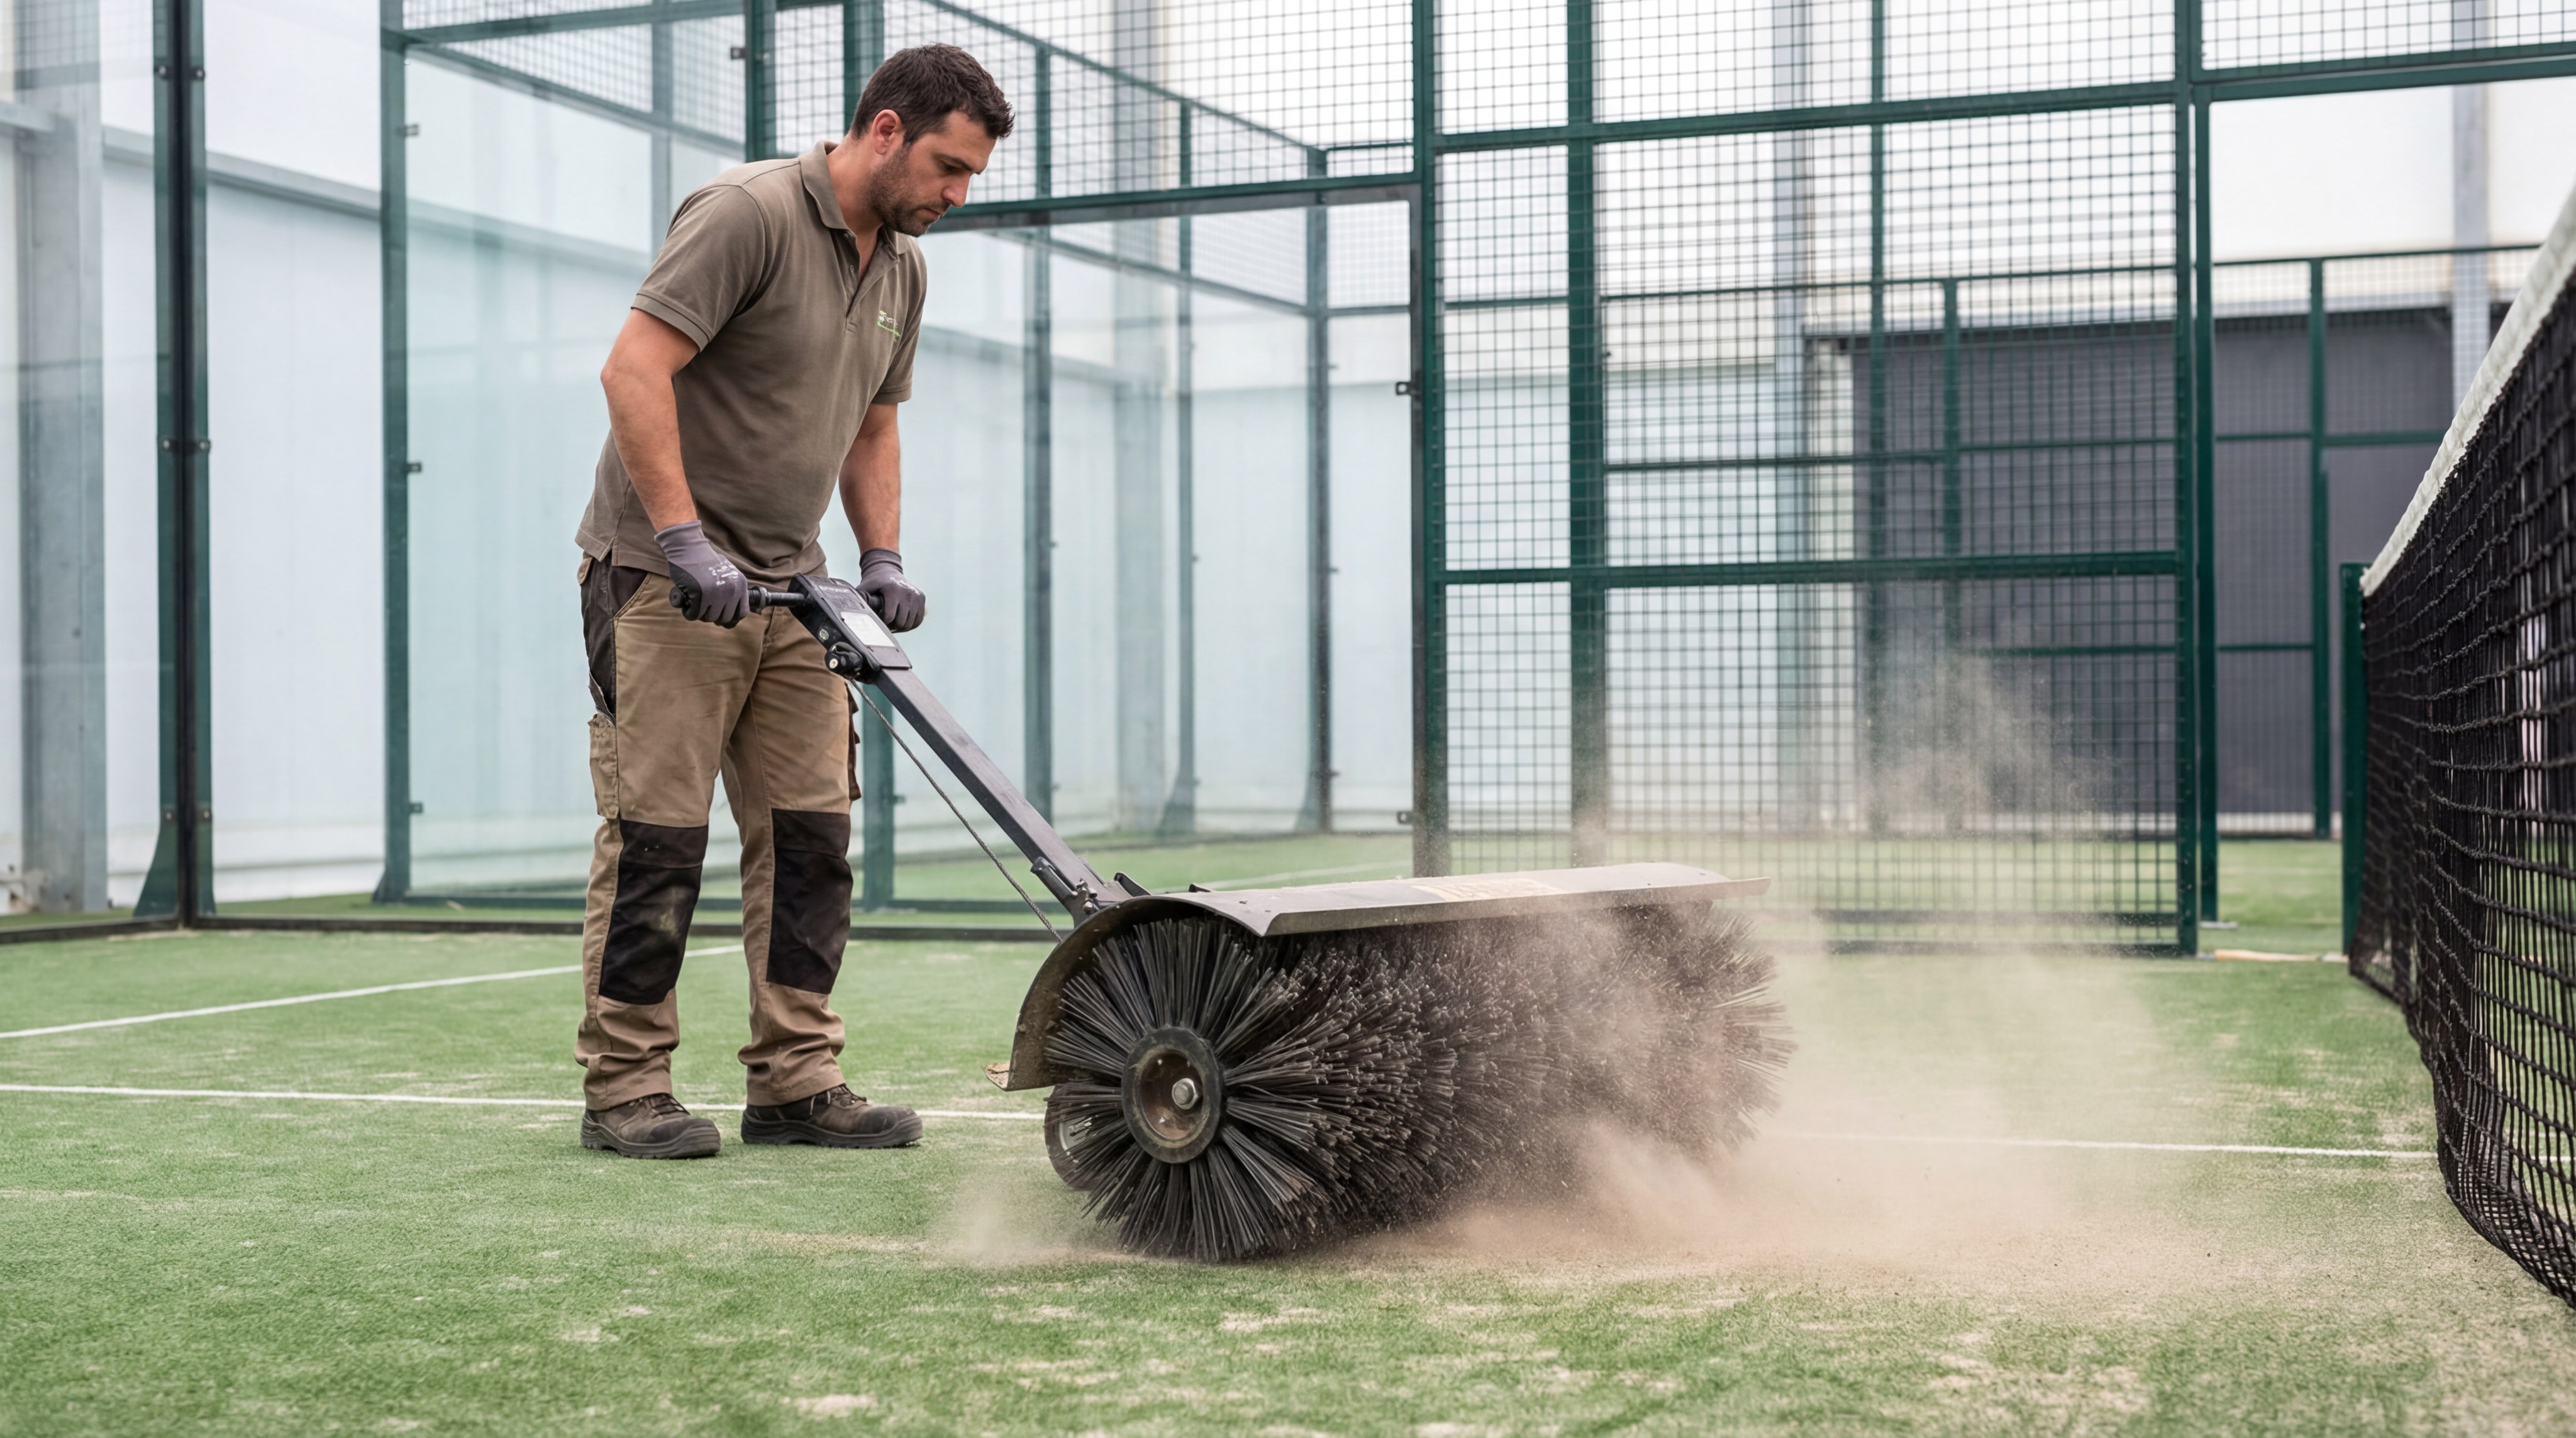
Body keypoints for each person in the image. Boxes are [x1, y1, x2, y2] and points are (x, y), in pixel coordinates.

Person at [569, 45, 1012, 1159]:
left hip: (796, 588)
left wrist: (883, 557)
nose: (956, 197)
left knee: (814, 838)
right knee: (659, 838)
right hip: (665, 582)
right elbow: (634, 368)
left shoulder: (903, 266)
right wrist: (679, 535)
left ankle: (796, 1079)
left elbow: (872, 422)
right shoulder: (747, 214)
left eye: (969, 179)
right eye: (948, 169)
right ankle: (626, 1086)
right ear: (884, 129)